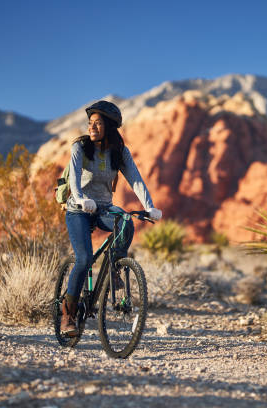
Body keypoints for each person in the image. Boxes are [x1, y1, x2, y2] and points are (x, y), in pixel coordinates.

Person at [61, 100, 162, 336]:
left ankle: (115, 268)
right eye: (90, 123)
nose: (92, 127)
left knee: (126, 221)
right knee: (84, 259)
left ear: (109, 126)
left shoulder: (119, 152)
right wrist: (80, 198)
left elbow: (135, 179)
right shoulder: (80, 148)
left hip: (104, 207)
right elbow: (74, 179)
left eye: (97, 123)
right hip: (78, 208)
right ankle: (68, 315)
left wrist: (150, 206)